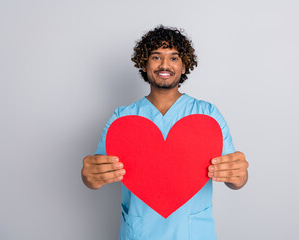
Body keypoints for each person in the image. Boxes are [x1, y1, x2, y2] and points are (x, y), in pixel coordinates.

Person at [81, 25, 249, 240]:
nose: (165, 64)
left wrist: (239, 177)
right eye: (156, 57)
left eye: (174, 58)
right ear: (144, 63)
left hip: (193, 232)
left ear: (184, 66)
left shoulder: (207, 115)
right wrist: (89, 177)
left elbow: (234, 176)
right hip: (140, 233)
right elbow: (96, 172)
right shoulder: (122, 119)